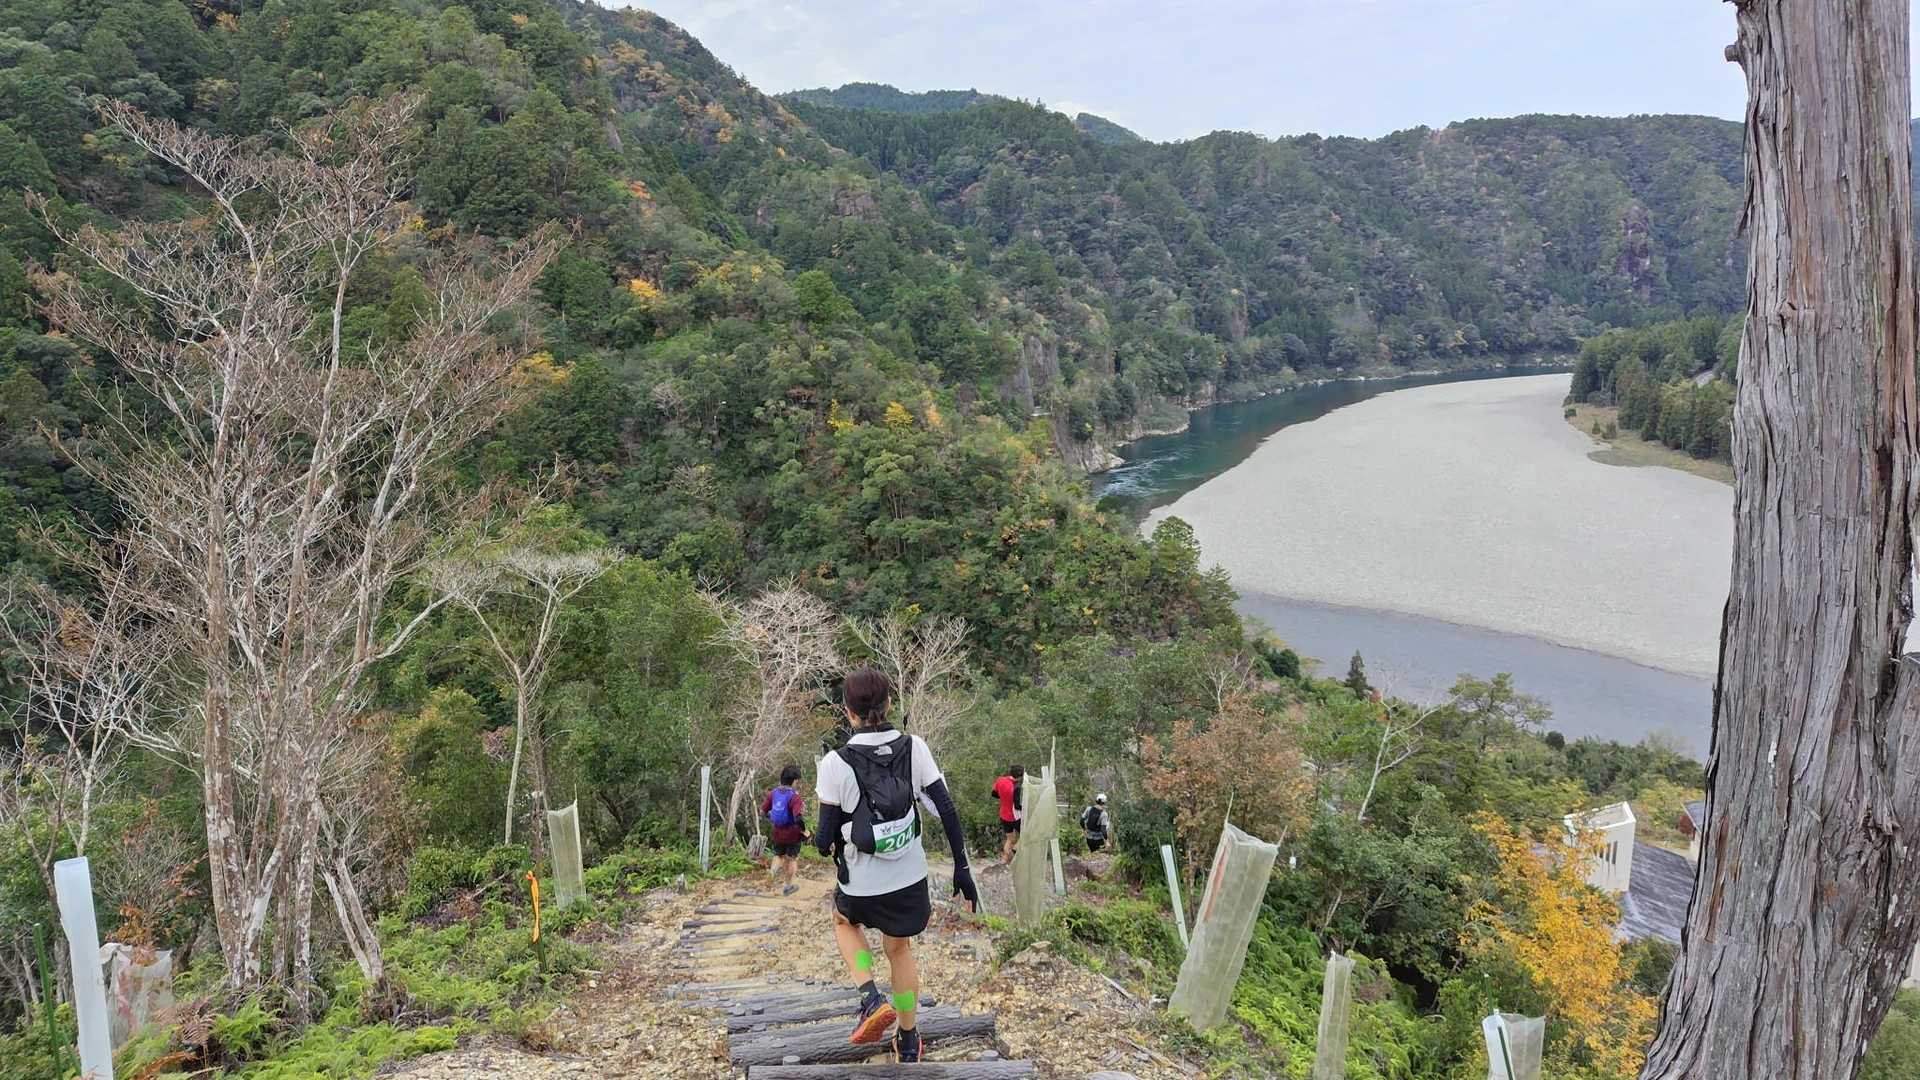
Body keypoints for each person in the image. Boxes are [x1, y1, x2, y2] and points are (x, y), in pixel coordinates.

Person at [816, 667, 980, 1063]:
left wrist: (830, 841)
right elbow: (946, 809)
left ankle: (871, 997)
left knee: (843, 921)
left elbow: (823, 841)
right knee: (899, 948)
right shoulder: (914, 747)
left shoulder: (836, 762)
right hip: (909, 881)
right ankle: (908, 1040)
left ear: (847, 711)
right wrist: (961, 869)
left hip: (862, 886)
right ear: (889, 704)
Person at [762, 764, 809, 895]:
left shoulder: (773, 793)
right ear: (794, 780)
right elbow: (798, 817)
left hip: (777, 832)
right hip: (792, 834)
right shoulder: (794, 797)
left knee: (778, 855)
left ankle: (772, 873)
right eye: (797, 781)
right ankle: (788, 886)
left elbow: (763, 811)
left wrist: (773, 818)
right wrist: (804, 830)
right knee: (792, 858)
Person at [991, 764, 1025, 865]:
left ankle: (1004, 860)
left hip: (1003, 815)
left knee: (1010, 839)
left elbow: (994, 794)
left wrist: (1004, 797)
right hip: (1015, 817)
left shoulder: (1000, 780)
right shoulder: (1016, 787)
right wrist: (1026, 808)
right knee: (1025, 836)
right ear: (1020, 776)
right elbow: (1017, 806)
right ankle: (1013, 853)